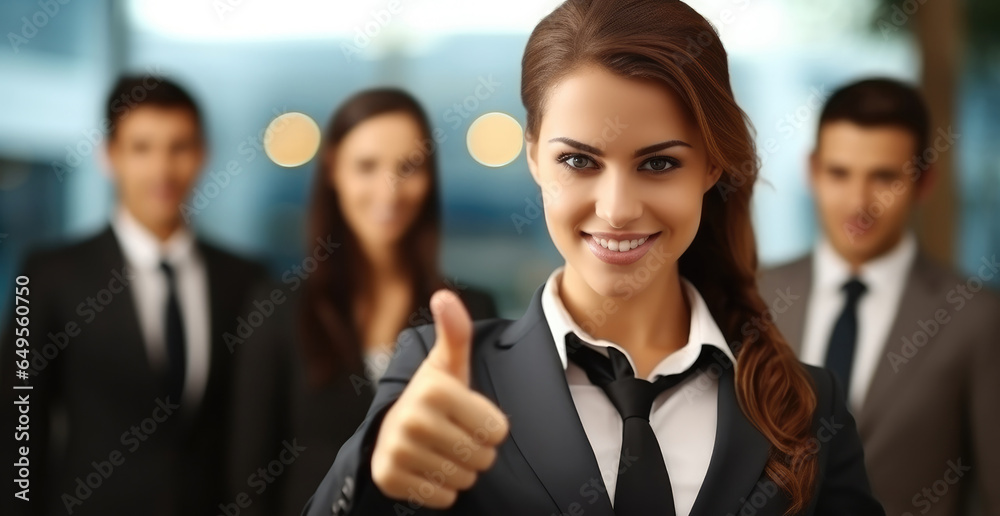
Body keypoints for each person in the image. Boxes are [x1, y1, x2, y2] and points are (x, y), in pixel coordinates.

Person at [303, 1, 885, 515]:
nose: (617, 210)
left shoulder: (809, 406)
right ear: (533, 157)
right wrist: (375, 477)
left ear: (712, 166)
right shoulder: (444, 374)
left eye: (659, 163)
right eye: (579, 162)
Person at [0, 75, 268, 515]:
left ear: (203, 155)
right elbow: (18, 425)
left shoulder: (246, 281)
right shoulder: (47, 276)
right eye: (142, 148)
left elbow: (256, 427)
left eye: (179, 147)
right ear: (109, 156)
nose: (162, 170)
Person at [226, 88, 496, 516]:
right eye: (367, 166)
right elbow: (247, 482)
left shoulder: (471, 311)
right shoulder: (277, 310)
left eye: (409, 167)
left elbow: (487, 478)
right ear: (334, 171)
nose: (389, 191)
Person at [760, 78, 1000, 516]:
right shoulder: (755, 298)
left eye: (884, 177)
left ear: (925, 182)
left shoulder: (977, 319)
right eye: (839, 173)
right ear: (812, 171)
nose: (859, 203)